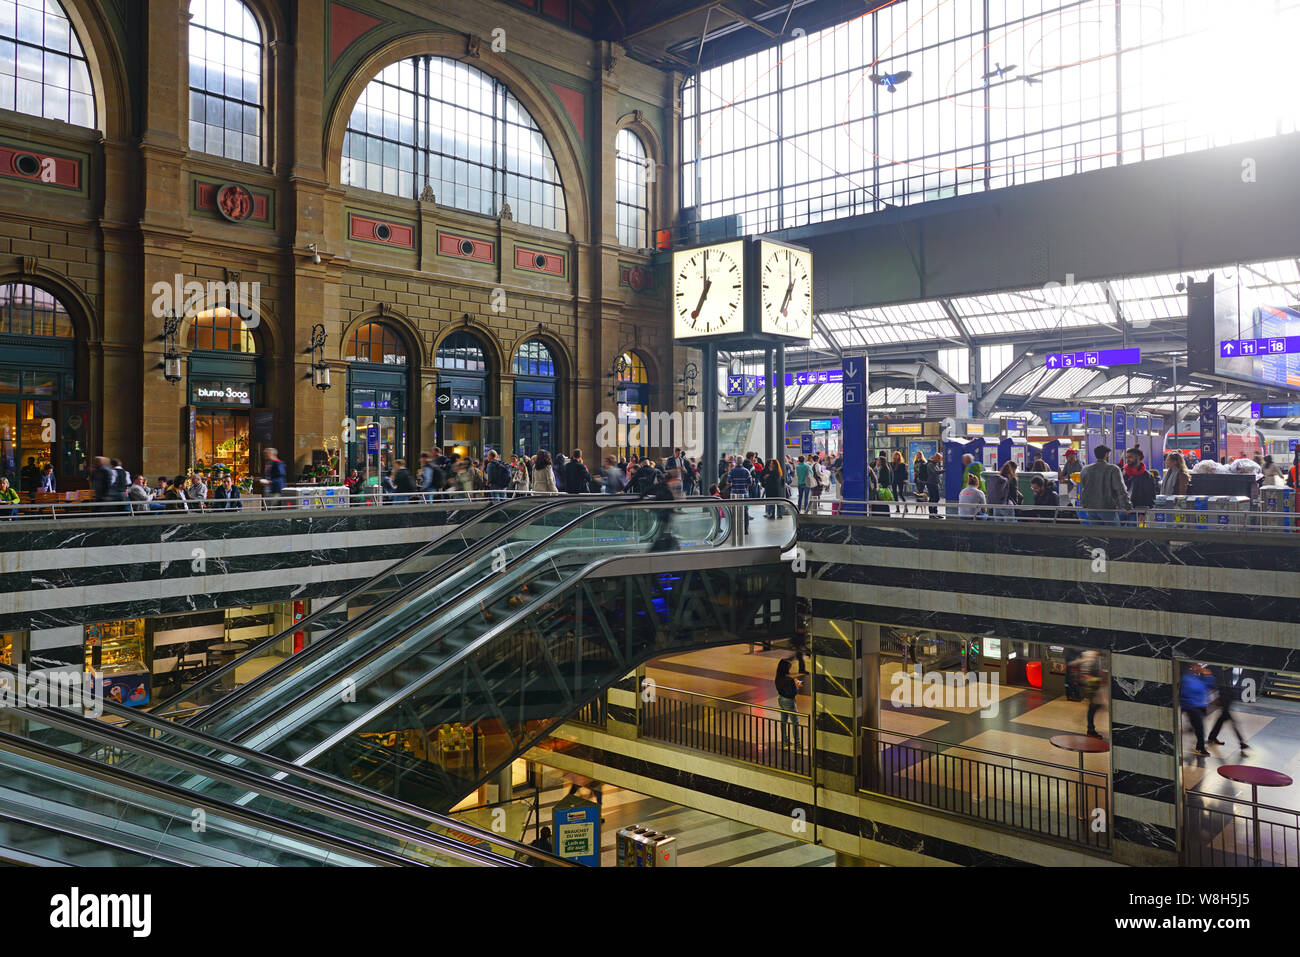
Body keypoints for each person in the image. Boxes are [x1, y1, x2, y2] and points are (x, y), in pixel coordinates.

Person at [1076, 445, 1130, 526]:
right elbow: (1120, 489)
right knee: (1114, 534)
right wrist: (1127, 506)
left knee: (1098, 535)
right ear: (1106, 454)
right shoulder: (1113, 469)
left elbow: (1084, 487)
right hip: (1107, 508)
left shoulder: (1085, 469)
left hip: (1091, 508)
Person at [1207, 666, 1249, 752]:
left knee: (1221, 719)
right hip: (1224, 698)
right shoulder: (1221, 673)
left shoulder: (1229, 671)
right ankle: (1241, 742)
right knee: (1231, 721)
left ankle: (1212, 737)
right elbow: (1217, 686)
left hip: (1227, 697)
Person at [1181, 663, 1213, 757]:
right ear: (1192, 667)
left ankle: (1199, 744)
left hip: (1199, 706)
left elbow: (1208, 687)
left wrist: (1208, 676)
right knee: (1200, 729)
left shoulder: (1196, 677)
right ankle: (1200, 748)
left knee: (1199, 727)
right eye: (1198, 666)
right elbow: (1193, 690)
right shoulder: (1187, 678)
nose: (1200, 668)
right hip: (1192, 707)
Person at [1073, 649, 1105, 738]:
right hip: (1091, 686)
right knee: (1093, 707)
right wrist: (1093, 685)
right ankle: (1090, 730)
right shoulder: (1089, 655)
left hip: (1094, 685)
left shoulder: (1096, 656)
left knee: (1095, 706)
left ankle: (1090, 728)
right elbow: (1085, 673)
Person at [1122, 446, 1156, 525]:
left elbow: (1150, 496)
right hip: (1121, 509)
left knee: (1132, 533)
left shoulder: (1147, 476)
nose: (1127, 460)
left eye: (1130, 457)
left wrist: (1143, 513)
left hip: (1137, 510)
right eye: (1127, 457)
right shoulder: (1122, 472)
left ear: (1138, 457)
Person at [774, 658, 803, 750]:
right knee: (795, 722)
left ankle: (785, 741)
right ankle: (798, 745)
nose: (790, 669)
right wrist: (797, 686)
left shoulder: (778, 678)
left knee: (784, 720)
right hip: (789, 701)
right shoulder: (789, 680)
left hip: (780, 699)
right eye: (789, 667)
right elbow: (792, 693)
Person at [726, 456, 752, 530]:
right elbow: (750, 483)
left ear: (735, 462)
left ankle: (735, 529)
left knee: (734, 512)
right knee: (745, 512)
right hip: (744, 494)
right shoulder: (746, 471)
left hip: (734, 494)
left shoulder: (731, 471)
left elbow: (729, 482)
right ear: (742, 462)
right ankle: (745, 529)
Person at [925, 452, 943, 517]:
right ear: (936, 458)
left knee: (937, 498)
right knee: (932, 498)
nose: (940, 461)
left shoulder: (935, 464)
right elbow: (934, 473)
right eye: (939, 459)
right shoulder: (930, 464)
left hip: (935, 483)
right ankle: (931, 513)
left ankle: (935, 512)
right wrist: (944, 471)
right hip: (930, 483)